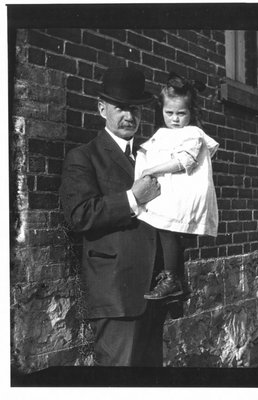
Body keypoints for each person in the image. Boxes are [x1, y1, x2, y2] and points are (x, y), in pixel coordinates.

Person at [60, 67, 168, 367]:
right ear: (101, 108)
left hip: (153, 292)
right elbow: (79, 215)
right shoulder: (84, 157)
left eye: (134, 108)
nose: (129, 116)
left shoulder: (152, 156)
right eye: (121, 107)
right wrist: (133, 197)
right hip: (116, 295)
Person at [135, 72, 219, 301]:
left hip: (186, 190)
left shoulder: (192, 133)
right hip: (172, 190)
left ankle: (172, 278)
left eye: (181, 113)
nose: (174, 119)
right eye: (169, 113)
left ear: (191, 113)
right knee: (165, 228)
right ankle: (176, 278)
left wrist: (152, 170)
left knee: (167, 226)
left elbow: (185, 161)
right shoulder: (163, 133)